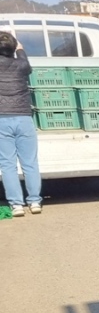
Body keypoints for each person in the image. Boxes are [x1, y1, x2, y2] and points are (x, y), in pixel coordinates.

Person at [0, 31, 41, 216]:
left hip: (2, 119)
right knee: (30, 163)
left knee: (7, 164)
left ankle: (16, 205)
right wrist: (20, 48)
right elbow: (24, 60)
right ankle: (34, 202)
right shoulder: (22, 65)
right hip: (24, 117)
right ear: (13, 48)